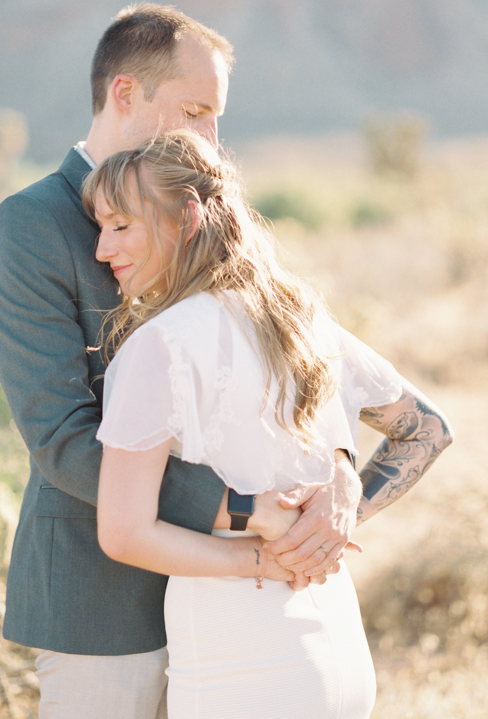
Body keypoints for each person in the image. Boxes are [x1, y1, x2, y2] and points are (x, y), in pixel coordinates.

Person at [0, 3, 364, 719]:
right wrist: (246, 514)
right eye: (195, 110)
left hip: (232, 606)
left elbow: (295, 358)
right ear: (126, 94)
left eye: (216, 116)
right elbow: (62, 438)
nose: (213, 136)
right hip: (103, 605)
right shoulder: (31, 226)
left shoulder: (198, 211)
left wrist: (338, 473)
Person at [84, 130, 454, 719]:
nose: (103, 249)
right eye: (100, 227)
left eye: (120, 225)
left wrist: (263, 558)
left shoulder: (158, 347)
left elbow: (123, 533)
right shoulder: (298, 318)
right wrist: (328, 525)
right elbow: (428, 429)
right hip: (338, 646)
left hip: (239, 659)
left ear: (187, 217)